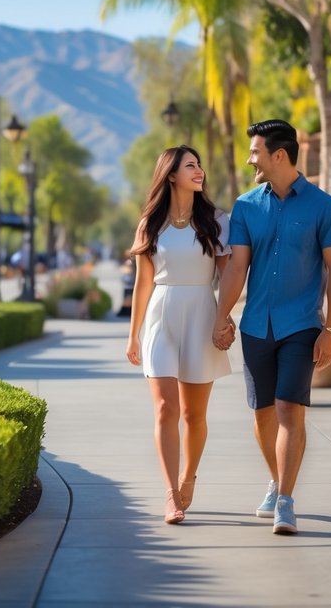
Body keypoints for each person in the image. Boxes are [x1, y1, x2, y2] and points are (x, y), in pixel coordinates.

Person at [213, 119, 331, 536]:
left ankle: (286, 501)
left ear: (279, 156)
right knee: (262, 413)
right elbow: (237, 266)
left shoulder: (324, 206)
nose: (250, 159)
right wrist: (222, 316)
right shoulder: (247, 206)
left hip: (301, 325)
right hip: (257, 325)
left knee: (290, 409)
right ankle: (277, 481)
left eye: (255, 152)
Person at [126, 145, 231, 525]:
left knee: (193, 413)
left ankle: (190, 476)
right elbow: (142, 284)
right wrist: (133, 335)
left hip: (202, 313)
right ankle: (171, 494)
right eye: (190, 165)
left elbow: (229, 276)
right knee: (166, 408)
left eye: (200, 164)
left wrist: (225, 317)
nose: (199, 170)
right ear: (171, 174)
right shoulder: (150, 225)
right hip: (161, 318)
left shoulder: (217, 221)